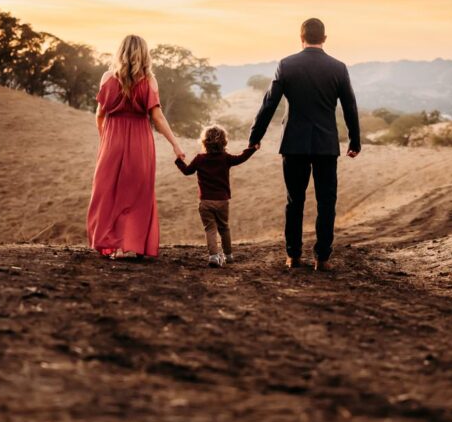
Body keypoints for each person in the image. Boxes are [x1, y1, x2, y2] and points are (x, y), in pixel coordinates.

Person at [248, 17, 360, 271]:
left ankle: (293, 256)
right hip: (326, 144)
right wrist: (355, 141)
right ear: (324, 38)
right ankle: (322, 258)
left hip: (294, 144)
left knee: (294, 201)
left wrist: (255, 138)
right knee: (326, 202)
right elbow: (350, 107)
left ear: (301, 37)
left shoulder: (286, 65)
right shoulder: (338, 68)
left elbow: (269, 104)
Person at [87, 34, 184, 260]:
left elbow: (99, 115)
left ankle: (113, 244)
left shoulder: (107, 77)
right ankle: (133, 244)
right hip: (140, 141)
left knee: (108, 192)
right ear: (144, 54)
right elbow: (157, 118)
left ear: (120, 52)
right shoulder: (149, 80)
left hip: (112, 140)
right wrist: (175, 145)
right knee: (137, 192)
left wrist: (106, 140)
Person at [175, 125, 258, 267]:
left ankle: (213, 256)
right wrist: (252, 149)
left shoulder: (200, 159)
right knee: (224, 227)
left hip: (206, 201)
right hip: (222, 201)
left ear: (204, 142)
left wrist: (179, 161)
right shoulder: (225, 158)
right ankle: (228, 255)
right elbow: (241, 158)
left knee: (210, 229)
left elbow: (187, 171)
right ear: (224, 142)